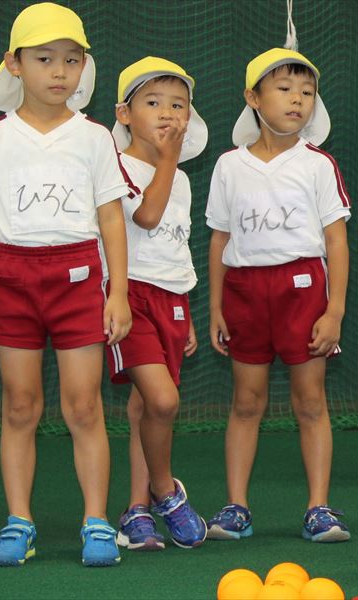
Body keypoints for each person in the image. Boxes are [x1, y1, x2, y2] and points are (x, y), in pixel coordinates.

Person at [0, 3, 132, 567]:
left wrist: (118, 292)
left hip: (78, 280)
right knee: (19, 406)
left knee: (84, 406)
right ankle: (19, 522)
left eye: (71, 60)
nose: (59, 72)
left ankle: (96, 522)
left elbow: (111, 216)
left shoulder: (93, 137)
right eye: (44, 59)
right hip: (11, 279)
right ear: (14, 64)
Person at [205, 48, 351, 543]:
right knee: (246, 402)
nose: (297, 100)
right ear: (253, 98)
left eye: (307, 92)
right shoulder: (229, 166)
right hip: (245, 293)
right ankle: (236, 508)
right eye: (285, 89)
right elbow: (220, 240)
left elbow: (336, 241)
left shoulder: (318, 165)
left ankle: (319, 509)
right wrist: (215, 307)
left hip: (303, 290)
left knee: (310, 401)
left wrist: (335, 311)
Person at [107, 57, 209, 551]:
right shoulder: (115, 166)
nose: (168, 113)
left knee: (144, 407)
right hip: (129, 296)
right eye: (153, 103)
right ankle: (166, 492)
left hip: (171, 299)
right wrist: (168, 160)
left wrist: (185, 313)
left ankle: (136, 511)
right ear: (125, 114)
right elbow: (147, 216)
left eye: (178, 105)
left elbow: (174, 244)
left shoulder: (182, 181)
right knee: (163, 401)